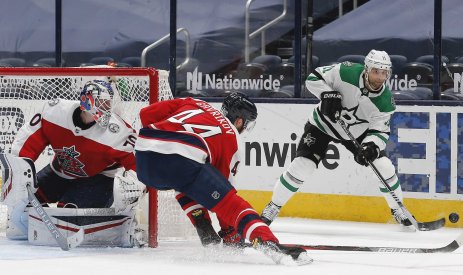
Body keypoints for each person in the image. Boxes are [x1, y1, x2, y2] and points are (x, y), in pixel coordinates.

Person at [134, 92, 311, 265]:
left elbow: (145, 114)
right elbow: (223, 200)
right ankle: (269, 243)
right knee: (231, 203)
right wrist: (230, 234)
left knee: (185, 178)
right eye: (247, 124)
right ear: (239, 120)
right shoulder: (232, 137)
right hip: (182, 160)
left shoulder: (196, 102)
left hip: (143, 158)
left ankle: (202, 225)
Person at [261, 50, 411, 228]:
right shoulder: (346, 72)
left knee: (383, 166)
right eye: (375, 71)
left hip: (357, 132)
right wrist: (326, 94)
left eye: (384, 72)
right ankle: (273, 206)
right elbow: (313, 78)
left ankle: (398, 209)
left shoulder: (385, 102)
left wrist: (371, 146)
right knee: (303, 165)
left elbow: (380, 131)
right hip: (323, 125)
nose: (379, 77)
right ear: (366, 69)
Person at [3, 79, 143, 245]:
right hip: (60, 171)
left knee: (68, 214)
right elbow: (27, 142)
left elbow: (140, 165)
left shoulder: (118, 132)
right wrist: (20, 169)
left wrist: (135, 184)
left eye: (108, 104)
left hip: (98, 179)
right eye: (102, 103)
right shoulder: (54, 112)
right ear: (85, 101)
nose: (106, 109)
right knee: (21, 201)